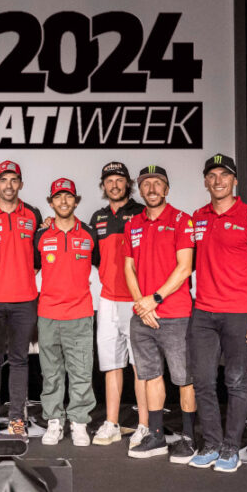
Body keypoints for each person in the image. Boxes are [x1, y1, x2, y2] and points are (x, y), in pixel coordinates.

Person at [187, 154, 247, 472]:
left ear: (235, 180)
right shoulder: (198, 217)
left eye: (224, 175)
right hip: (203, 313)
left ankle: (231, 448)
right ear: (205, 181)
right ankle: (211, 443)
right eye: (212, 175)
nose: (218, 180)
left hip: (239, 312)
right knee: (203, 381)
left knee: (235, 381)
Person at [123, 165, 198, 462]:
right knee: (151, 376)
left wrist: (154, 299)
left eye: (157, 183)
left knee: (184, 378)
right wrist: (141, 305)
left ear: (167, 189)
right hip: (143, 315)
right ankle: (156, 436)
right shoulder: (133, 224)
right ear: (140, 190)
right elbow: (129, 268)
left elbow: (185, 267)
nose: (152, 188)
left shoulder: (181, 220)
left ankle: (189, 438)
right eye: (146, 184)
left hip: (176, 314)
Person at [0, 160, 42, 436]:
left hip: (25, 300)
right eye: (3, 180)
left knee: (19, 360)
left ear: (21, 184)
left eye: (14, 180)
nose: (9, 185)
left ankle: (16, 418)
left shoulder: (33, 214)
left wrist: (22, 276)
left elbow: (38, 257)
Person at [34, 178, 101, 447]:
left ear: (76, 201)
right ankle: (54, 421)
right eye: (58, 197)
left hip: (80, 314)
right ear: (51, 202)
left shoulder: (89, 234)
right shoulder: (40, 236)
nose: (63, 201)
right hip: (48, 314)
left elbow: (104, 266)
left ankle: (79, 422)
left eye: (68, 196)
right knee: (51, 373)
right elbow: (33, 268)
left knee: (81, 372)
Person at [87, 161, 145, 446]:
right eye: (109, 181)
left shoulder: (142, 212)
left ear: (128, 184)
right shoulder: (97, 217)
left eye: (119, 180)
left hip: (136, 300)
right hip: (108, 299)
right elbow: (96, 259)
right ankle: (112, 423)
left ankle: (145, 425)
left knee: (140, 367)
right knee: (112, 365)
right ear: (103, 186)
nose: (114, 185)